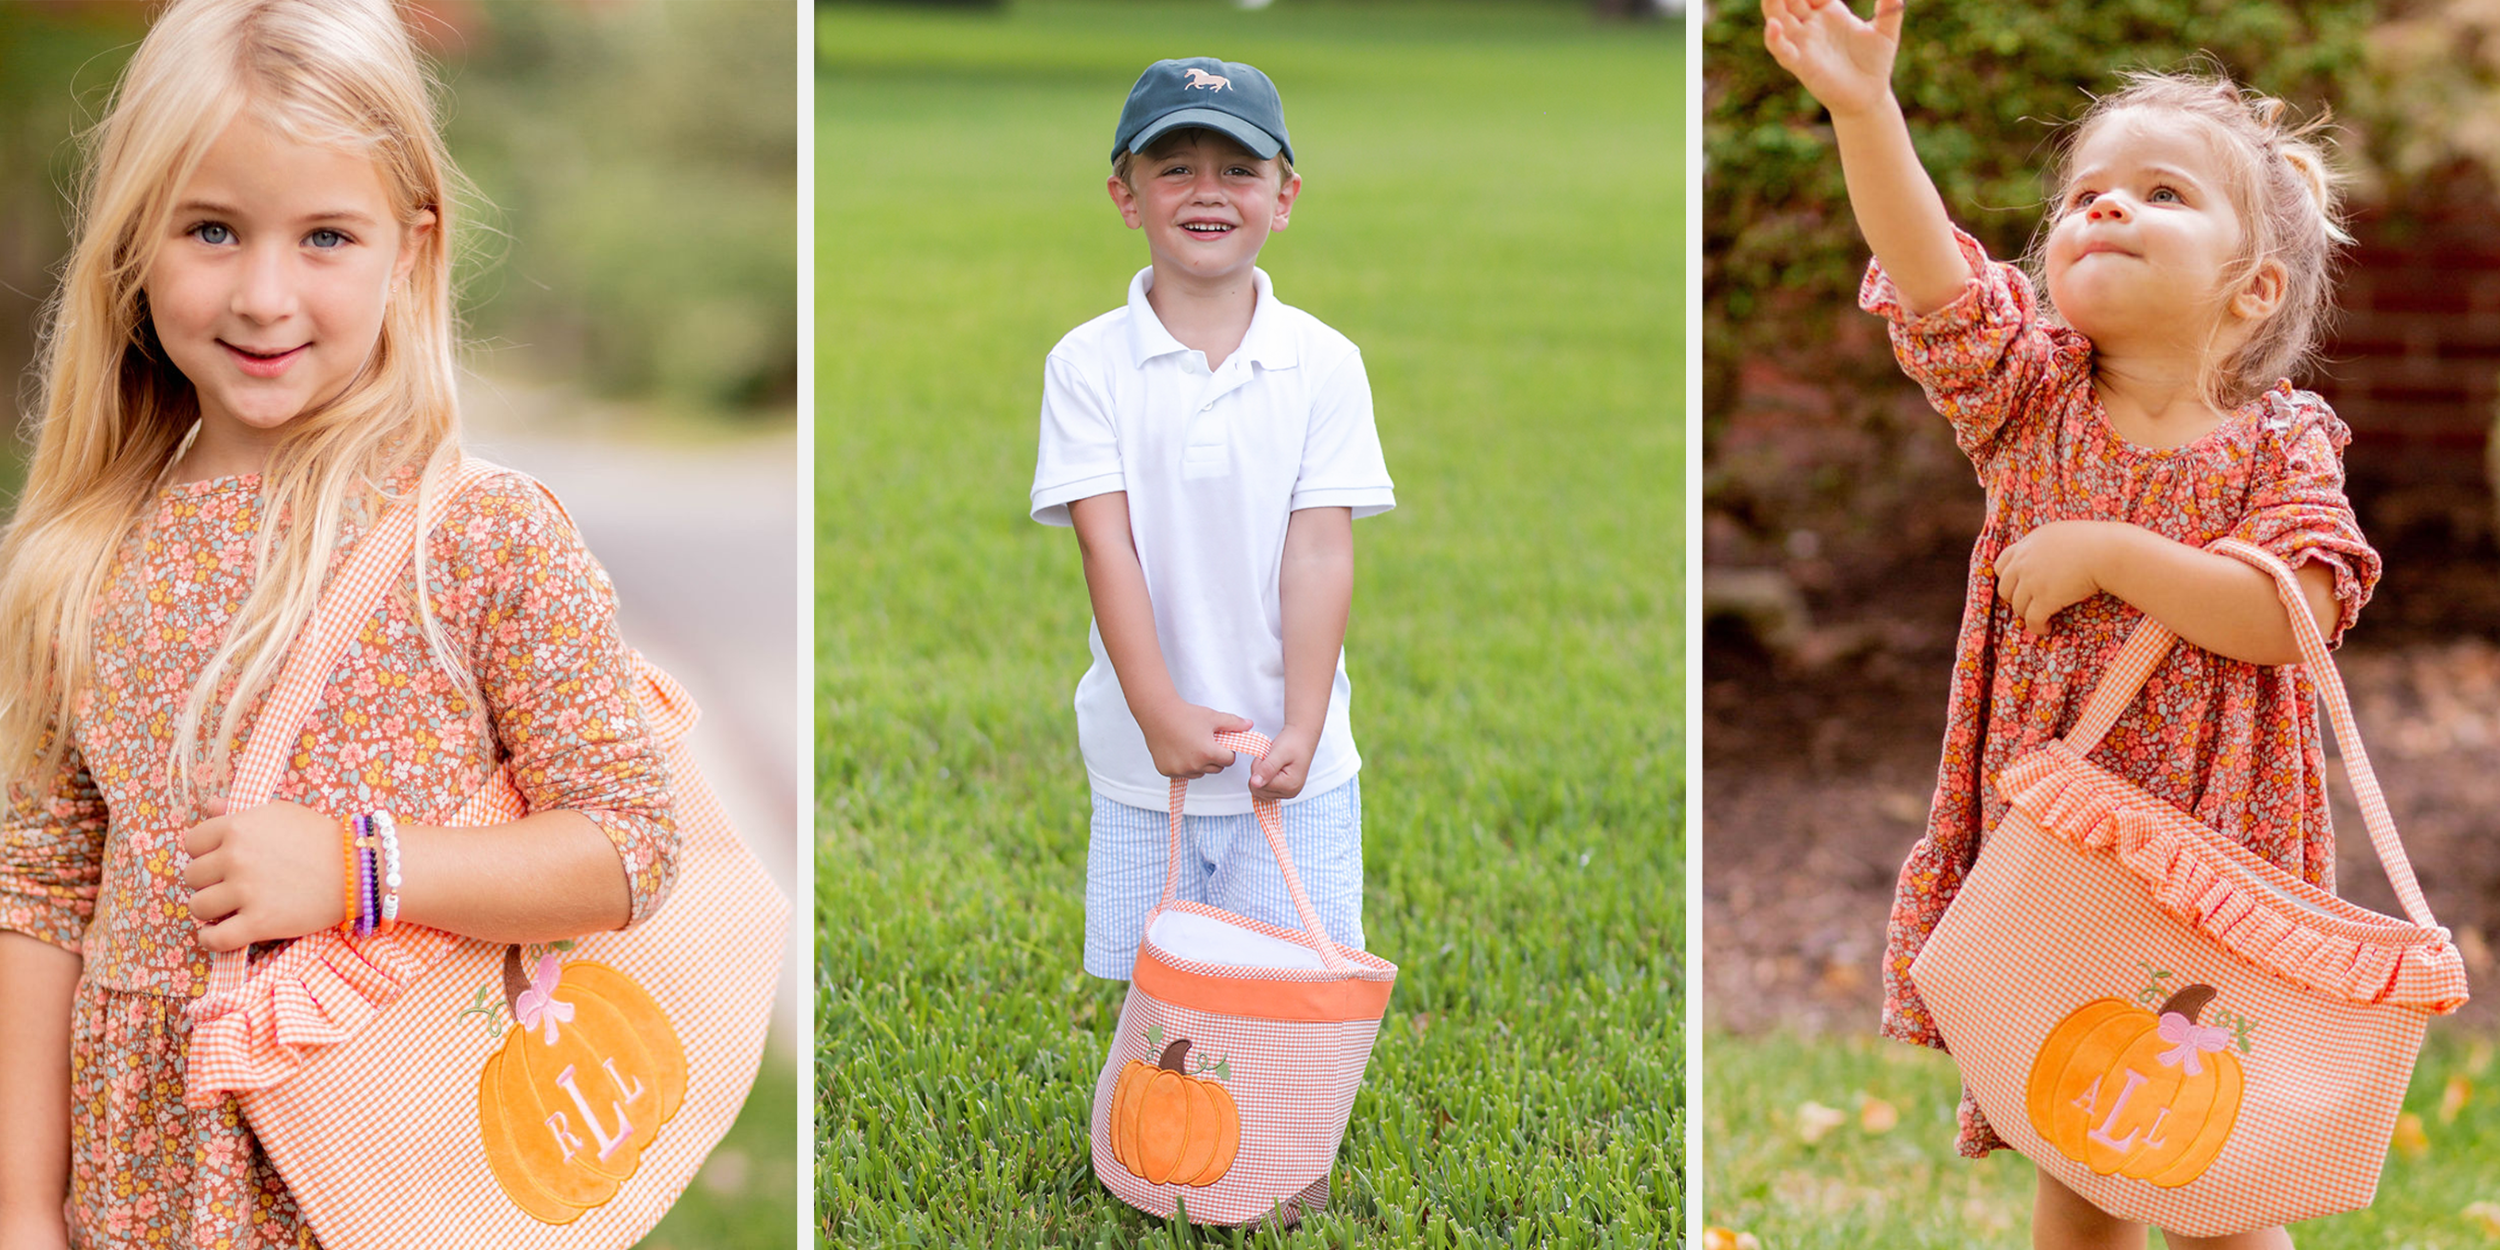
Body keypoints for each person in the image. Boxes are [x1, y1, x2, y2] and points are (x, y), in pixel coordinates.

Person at [0, 2, 677, 1246]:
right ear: (134, 245)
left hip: (389, 1175)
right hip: (138, 1190)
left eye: (324, 235)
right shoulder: (77, 559)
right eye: (211, 229)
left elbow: (631, 847)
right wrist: (24, 1207)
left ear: (410, 250)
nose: (264, 294)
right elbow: (42, 891)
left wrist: (361, 868)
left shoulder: (476, 536)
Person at [1762, 2, 2372, 1247]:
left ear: (2250, 291)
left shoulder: (2278, 442)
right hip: (2058, 856)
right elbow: (1931, 274)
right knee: (2079, 1145)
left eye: (2158, 191)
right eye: (2085, 192)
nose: (2103, 206)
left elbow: (2292, 615)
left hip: (2219, 858)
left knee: (2214, 1174)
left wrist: (2111, 553)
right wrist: (1864, 108)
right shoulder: (2029, 399)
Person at [1028, 57, 1394, 987]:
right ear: (1126, 194)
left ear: (1285, 196)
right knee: (1163, 988)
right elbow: (1107, 544)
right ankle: (1162, 1135)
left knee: (1286, 980)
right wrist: (1157, 710)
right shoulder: (1086, 365)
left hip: (1292, 758)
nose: (1207, 193)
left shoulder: (1323, 363)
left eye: (1239, 170)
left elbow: (1318, 551)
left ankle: (1273, 1135)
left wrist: (1303, 724)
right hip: (1145, 763)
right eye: (1175, 167)